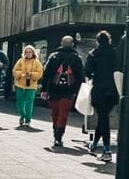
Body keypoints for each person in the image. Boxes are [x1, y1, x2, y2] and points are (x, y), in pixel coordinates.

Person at [41, 35, 84, 148]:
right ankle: (59, 136)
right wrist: (79, 90)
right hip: (69, 91)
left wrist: (44, 89)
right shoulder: (76, 58)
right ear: (72, 44)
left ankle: (56, 132)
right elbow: (80, 76)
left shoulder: (54, 56)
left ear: (61, 43)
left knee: (55, 112)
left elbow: (46, 74)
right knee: (63, 113)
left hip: (54, 90)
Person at [85, 30, 120, 161]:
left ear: (97, 41)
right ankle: (94, 145)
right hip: (113, 90)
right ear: (109, 40)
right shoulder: (115, 53)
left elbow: (88, 72)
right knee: (103, 117)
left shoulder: (93, 54)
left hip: (99, 90)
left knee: (103, 118)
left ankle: (107, 150)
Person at [12, 45, 44, 128]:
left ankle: (28, 120)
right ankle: (22, 115)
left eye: (30, 52)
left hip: (31, 85)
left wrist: (31, 74)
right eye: (26, 52)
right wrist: (21, 74)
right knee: (19, 102)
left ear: (33, 53)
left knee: (29, 103)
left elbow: (40, 73)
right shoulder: (20, 61)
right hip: (20, 84)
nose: (28, 53)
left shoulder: (37, 62)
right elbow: (15, 71)